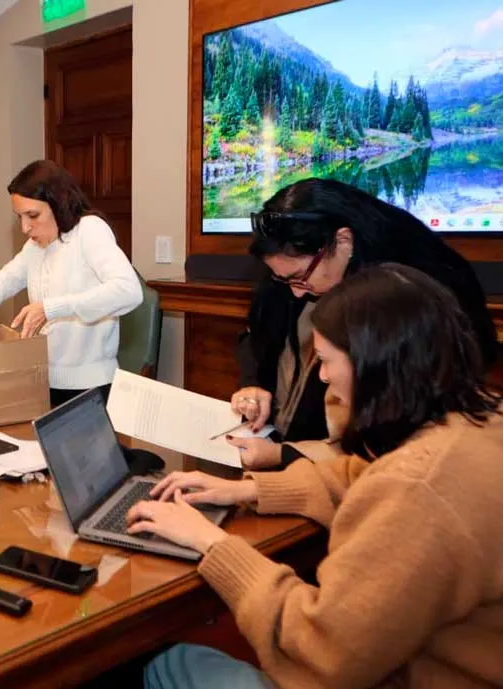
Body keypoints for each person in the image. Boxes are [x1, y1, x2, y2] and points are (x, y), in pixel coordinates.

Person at [128, 264, 503, 689]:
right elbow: (361, 477)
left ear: (374, 364)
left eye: (325, 361)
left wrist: (210, 542)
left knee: (166, 662)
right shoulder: (477, 422)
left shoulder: (416, 490)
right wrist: (245, 489)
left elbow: (320, 651)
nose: (323, 377)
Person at [229, 177, 495, 470]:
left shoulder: (405, 298)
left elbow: (385, 448)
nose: (295, 292)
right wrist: (253, 384)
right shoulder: (297, 266)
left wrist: (286, 455)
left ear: (343, 241)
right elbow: (257, 333)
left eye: (299, 278)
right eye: (282, 279)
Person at [0, 159, 142, 407]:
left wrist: (51, 308)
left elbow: (129, 291)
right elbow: (2, 282)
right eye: (19, 217)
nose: (25, 227)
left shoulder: (89, 230)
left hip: (92, 388)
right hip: (44, 381)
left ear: (58, 203)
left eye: (33, 215)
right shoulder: (36, 246)